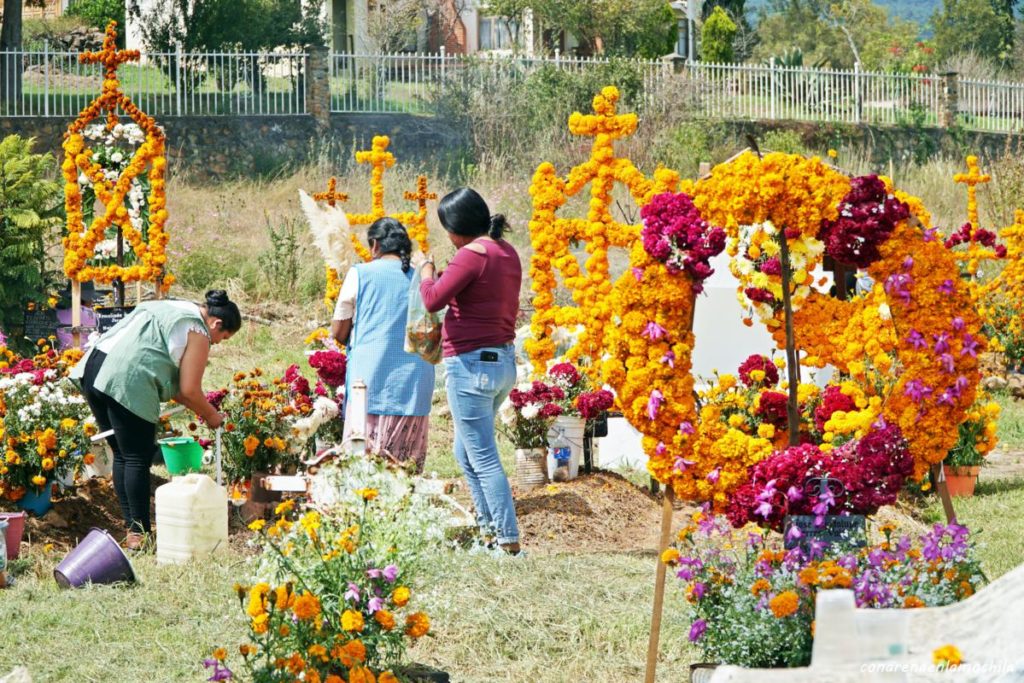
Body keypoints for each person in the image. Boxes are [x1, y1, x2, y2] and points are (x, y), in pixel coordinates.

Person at [71, 290, 241, 550]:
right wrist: (212, 416)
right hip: (127, 378)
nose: (217, 343)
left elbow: (182, 392)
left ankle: (133, 530)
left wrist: (202, 410)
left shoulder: (172, 307)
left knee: (122, 453)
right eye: (223, 338)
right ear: (216, 324)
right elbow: (189, 390)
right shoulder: (199, 331)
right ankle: (139, 534)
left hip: (94, 369)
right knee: (137, 457)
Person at [417, 188, 523, 555]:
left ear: (457, 228)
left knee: (483, 457)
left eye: (447, 228)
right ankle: (488, 533)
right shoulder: (505, 252)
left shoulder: (470, 255)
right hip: (502, 363)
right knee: (465, 452)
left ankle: (508, 543)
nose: (447, 236)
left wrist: (427, 272)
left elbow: (431, 299)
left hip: (471, 365)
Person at [331, 218, 435, 472]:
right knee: (405, 470)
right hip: (415, 382)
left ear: (375, 245)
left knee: (364, 465)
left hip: (369, 382)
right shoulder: (422, 277)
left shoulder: (360, 273)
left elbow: (338, 329)